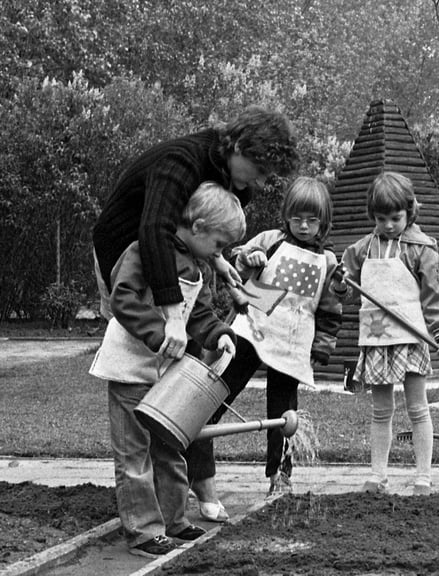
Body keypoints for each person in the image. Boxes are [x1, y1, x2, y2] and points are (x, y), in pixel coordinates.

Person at [90, 105, 299, 515]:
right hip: (125, 256)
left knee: (171, 379)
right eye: (258, 171)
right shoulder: (180, 163)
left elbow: (197, 232)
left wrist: (217, 260)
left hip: (172, 264)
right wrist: (171, 315)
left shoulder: (228, 179)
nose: (258, 184)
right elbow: (156, 231)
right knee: (138, 371)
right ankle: (144, 492)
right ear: (238, 146)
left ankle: (165, 492)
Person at [88, 182, 244, 558]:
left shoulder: (196, 267)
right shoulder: (143, 252)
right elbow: (121, 299)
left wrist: (218, 334)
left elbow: (199, 315)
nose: (219, 255)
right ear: (199, 227)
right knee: (134, 452)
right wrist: (158, 335)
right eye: (218, 246)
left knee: (171, 444)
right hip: (129, 369)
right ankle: (143, 531)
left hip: (165, 375)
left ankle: (173, 520)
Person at [186, 177, 343, 503]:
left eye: (311, 220)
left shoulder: (328, 261)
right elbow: (237, 265)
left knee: (284, 413)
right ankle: (191, 463)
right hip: (252, 328)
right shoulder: (271, 240)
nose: (303, 225)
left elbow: (330, 308)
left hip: (291, 340)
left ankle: (280, 475)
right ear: (286, 215)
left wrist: (323, 346)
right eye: (296, 217)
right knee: (217, 395)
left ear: (323, 222)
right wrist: (250, 259)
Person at [330, 171, 439, 496]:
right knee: (381, 410)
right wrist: (340, 283)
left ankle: (423, 476)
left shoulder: (422, 249)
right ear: (373, 216)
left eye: (396, 218)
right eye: (381, 218)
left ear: (410, 211)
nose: (388, 225)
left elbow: (438, 291)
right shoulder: (361, 250)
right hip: (376, 339)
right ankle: (378, 475)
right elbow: (344, 290)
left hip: (411, 338)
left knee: (417, 407)